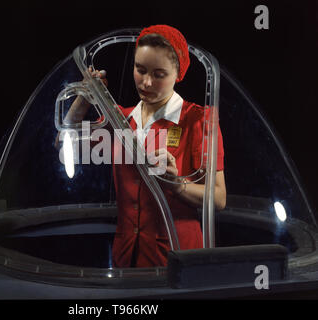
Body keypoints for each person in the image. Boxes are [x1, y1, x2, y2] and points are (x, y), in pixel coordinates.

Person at [61, 25, 226, 268]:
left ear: (178, 74)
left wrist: (178, 185)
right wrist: (85, 97)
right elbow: (63, 148)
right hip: (126, 258)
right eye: (140, 70)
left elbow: (219, 198)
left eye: (159, 74)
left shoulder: (198, 120)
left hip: (177, 258)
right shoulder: (119, 119)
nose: (146, 82)